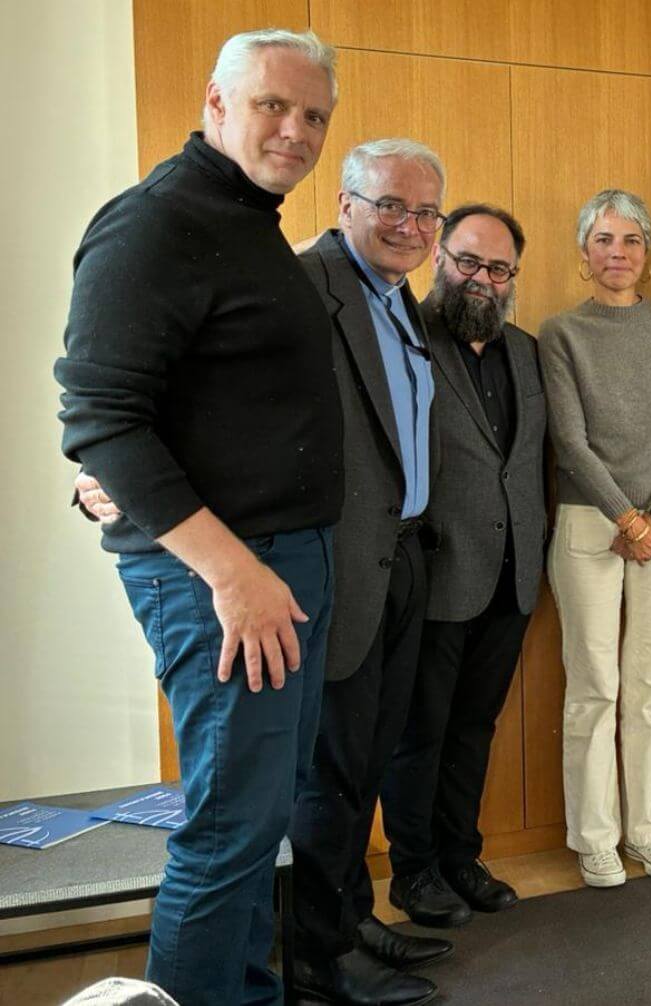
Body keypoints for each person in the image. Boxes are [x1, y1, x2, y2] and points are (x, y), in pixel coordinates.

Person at [55, 28, 343, 1006]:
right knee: (227, 830)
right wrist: (232, 572)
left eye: (313, 115)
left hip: (281, 563)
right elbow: (102, 420)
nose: (295, 130)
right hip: (225, 576)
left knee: (260, 826)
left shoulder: (244, 221)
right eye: (273, 105)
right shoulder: (155, 224)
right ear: (216, 104)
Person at [288, 138, 450, 1006]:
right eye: (390, 205)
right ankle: (316, 965)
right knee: (333, 770)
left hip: (402, 560)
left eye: (424, 212)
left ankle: (349, 918)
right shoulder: (306, 285)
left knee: (372, 756)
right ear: (345, 202)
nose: (408, 225)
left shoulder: (399, 298)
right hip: (338, 566)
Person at [382, 204, 547, 926]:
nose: (482, 279)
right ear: (439, 257)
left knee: (474, 726)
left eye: (499, 268)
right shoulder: (399, 338)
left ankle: (460, 856)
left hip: (512, 573)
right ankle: (412, 872)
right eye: (469, 262)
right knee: (421, 732)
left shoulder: (528, 349)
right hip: (434, 571)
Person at [542, 189, 651, 886]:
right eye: (604, 240)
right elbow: (569, 440)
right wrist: (625, 517)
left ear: (647, 251)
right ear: (584, 253)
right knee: (595, 684)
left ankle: (647, 828)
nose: (617, 253)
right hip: (590, 521)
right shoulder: (560, 332)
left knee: (649, 683)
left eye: (630, 240)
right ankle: (595, 836)